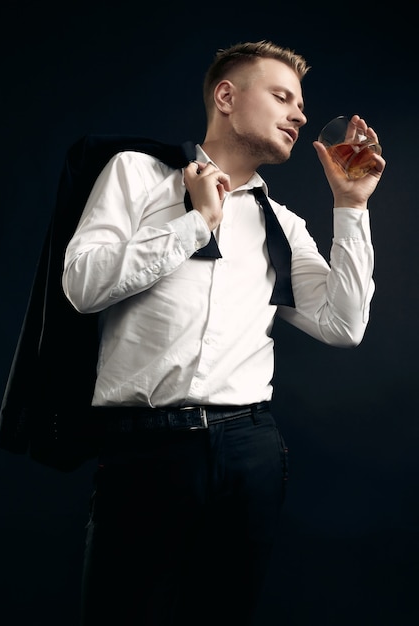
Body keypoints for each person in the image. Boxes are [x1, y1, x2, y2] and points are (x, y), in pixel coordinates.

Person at [61, 40, 385, 626]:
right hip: (145, 453)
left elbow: (344, 325)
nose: (300, 115)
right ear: (227, 97)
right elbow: (82, 285)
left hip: (250, 453)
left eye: (302, 104)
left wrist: (351, 206)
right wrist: (196, 223)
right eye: (282, 96)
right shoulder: (136, 174)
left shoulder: (283, 225)